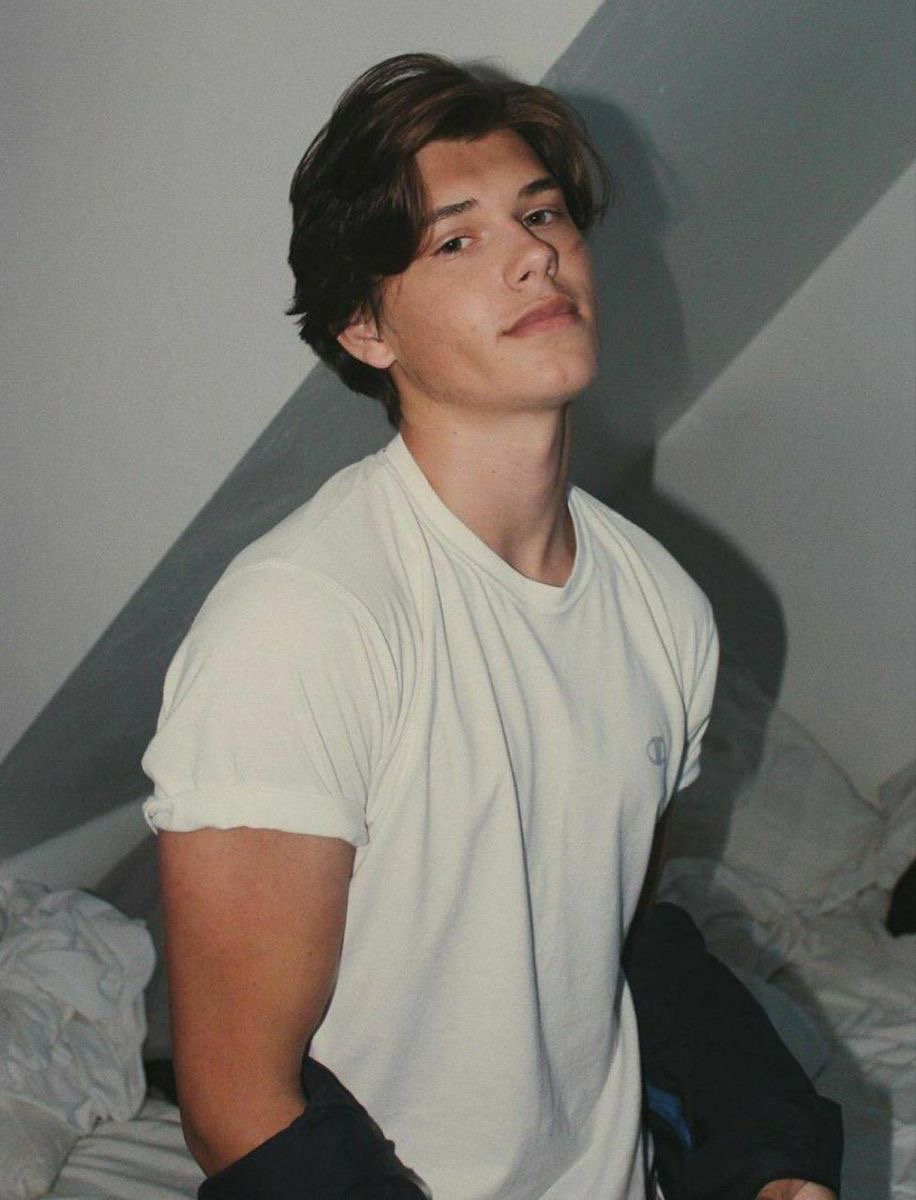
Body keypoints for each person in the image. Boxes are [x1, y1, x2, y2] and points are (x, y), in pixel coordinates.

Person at [142, 54, 839, 1200]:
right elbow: (238, 1108)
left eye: (543, 214)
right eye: (457, 240)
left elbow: (612, 942)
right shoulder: (303, 622)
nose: (533, 256)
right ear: (366, 327)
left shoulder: (662, 606)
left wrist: (770, 1163)